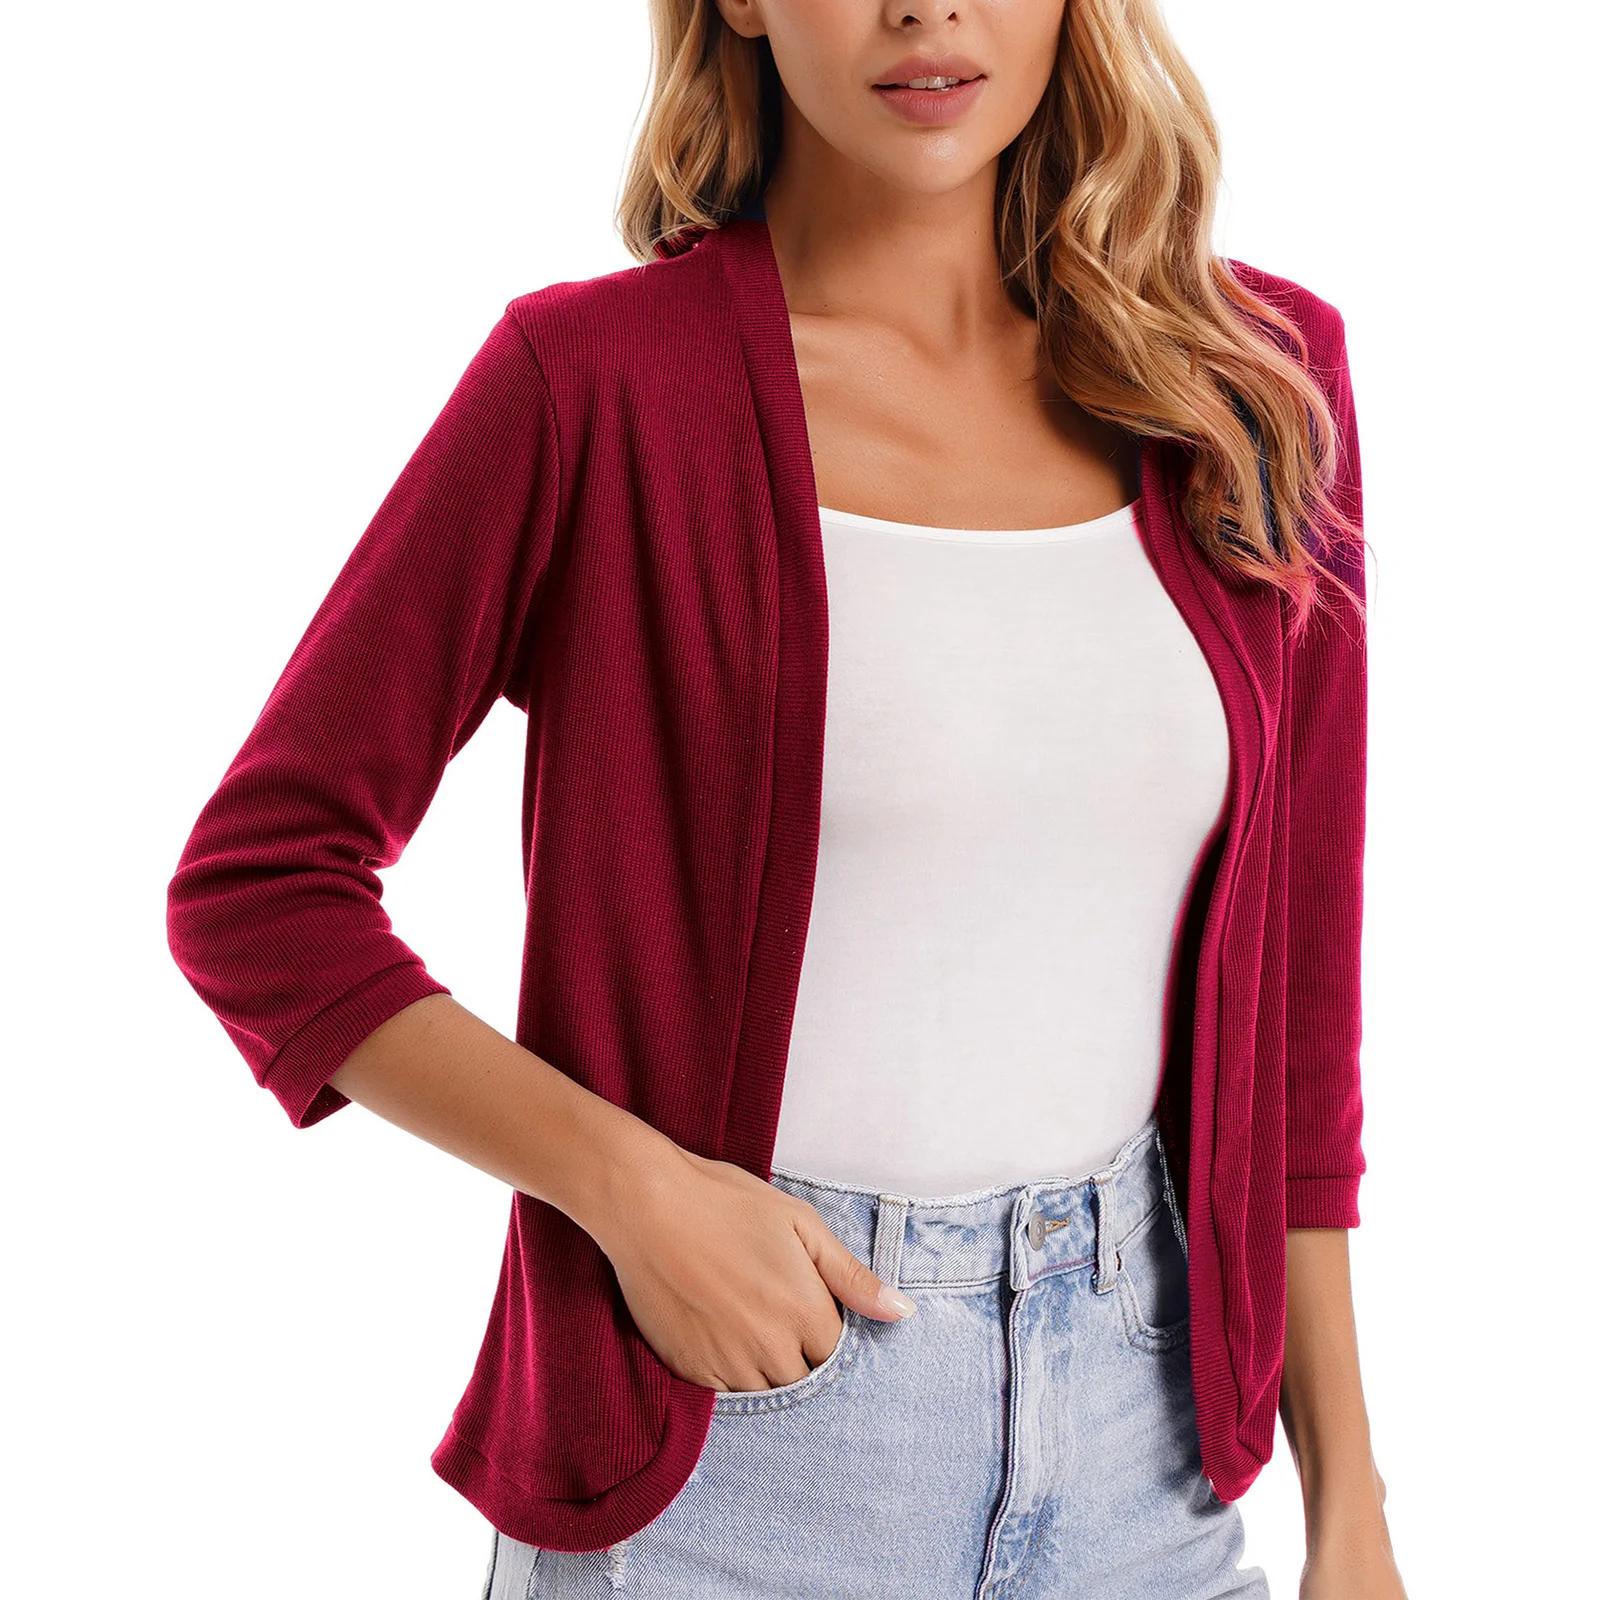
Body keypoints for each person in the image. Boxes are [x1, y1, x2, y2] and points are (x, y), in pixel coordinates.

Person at [167, 0, 1409, 1595]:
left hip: (1142, 1448)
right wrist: (633, 1194)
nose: (928, 9)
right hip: (734, 1450)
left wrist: (1349, 1498)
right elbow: (261, 887)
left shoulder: (1251, 384)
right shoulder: (597, 386)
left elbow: (1297, 1004)